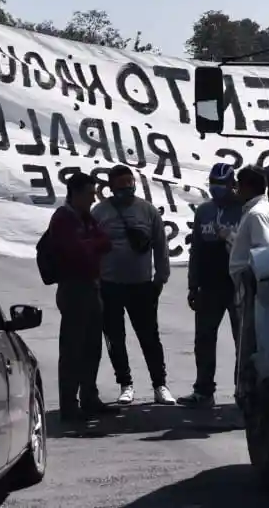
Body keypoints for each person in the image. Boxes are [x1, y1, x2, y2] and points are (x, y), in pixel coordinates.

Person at [92, 164, 174, 406]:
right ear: (111, 187)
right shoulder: (100, 212)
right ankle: (125, 384)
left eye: (130, 183)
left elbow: (161, 245)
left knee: (150, 336)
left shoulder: (147, 211)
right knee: (115, 337)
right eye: (122, 184)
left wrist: (161, 277)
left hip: (142, 285)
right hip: (109, 285)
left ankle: (160, 385)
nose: (127, 188)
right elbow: (93, 249)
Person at [47, 171, 113, 422]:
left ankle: (89, 395)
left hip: (92, 286)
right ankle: (68, 403)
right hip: (74, 288)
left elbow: (105, 242)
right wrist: (92, 244)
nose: (93, 199)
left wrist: (92, 243)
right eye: (88, 194)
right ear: (74, 193)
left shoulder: (85, 217)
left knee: (92, 346)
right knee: (73, 348)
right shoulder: (64, 219)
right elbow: (77, 252)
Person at [178, 163, 244, 408]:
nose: (217, 189)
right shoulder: (204, 211)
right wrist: (192, 285)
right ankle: (204, 390)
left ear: (232, 184)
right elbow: (196, 248)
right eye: (213, 184)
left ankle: (242, 390)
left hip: (236, 284)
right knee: (204, 339)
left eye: (222, 184)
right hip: (209, 284)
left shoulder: (244, 210)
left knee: (243, 340)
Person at [228, 165, 269, 290]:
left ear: (247, 187)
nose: (237, 191)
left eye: (239, 186)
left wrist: (249, 284)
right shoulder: (254, 210)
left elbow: (262, 251)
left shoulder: (256, 214)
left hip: (250, 287)